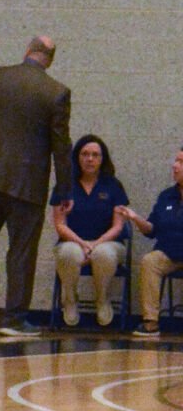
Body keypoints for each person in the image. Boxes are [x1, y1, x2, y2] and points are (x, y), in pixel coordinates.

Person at [0, 35, 72, 337]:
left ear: (27, 50)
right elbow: (61, 146)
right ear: (51, 58)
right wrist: (64, 190)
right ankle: (13, 318)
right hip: (27, 185)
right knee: (20, 252)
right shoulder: (56, 92)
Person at [52, 134, 128, 329]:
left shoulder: (113, 185)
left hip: (108, 243)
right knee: (70, 252)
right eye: (85, 154)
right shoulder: (65, 186)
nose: (90, 159)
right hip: (72, 242)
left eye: (95, 155)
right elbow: (60, 224)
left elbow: (118, 226)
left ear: (103, 159)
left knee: (103, 253)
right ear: (77, 157)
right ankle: (69, 299)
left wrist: (95, 244)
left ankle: (102, 299)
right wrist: (83, 244)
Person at [118, 149, 183, 338]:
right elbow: (151, 230)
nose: (174, 165)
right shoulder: (166, 196)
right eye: (175, 161)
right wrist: (135, 218)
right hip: (169, 253)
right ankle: (151, 321)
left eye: (180, 161)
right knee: (149, 261)